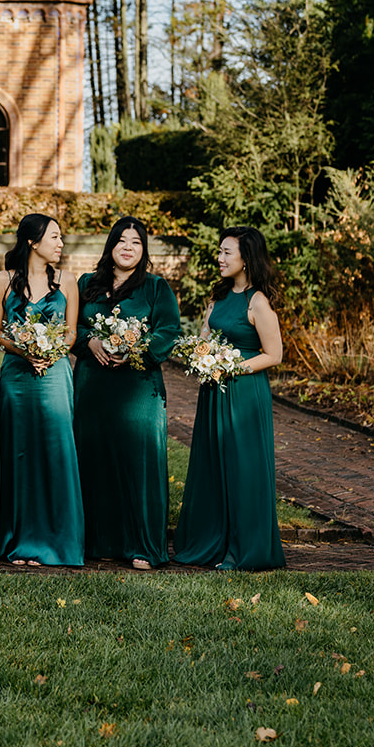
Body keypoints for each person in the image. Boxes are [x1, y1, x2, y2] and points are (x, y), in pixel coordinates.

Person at [173, 226, 286, 571]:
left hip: (245, 394)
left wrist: (231, 367)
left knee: (243, 469)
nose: (219, 258)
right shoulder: (217, 298)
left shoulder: (258, 302)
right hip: (213, 393)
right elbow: (205, 338)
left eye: (226, 252)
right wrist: (201, 355)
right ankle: (212, 544)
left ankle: (244, 550)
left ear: (246, 258)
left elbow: (274, 354)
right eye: (219, 252)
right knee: (213, 466)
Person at [73, 217, 182, 569]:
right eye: (121, 240)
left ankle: (143, 546)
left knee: (139, 463)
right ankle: (100, 541)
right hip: (93, 386)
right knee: (95, 461)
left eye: (136, 242)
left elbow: (168, 330)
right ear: (110, 245)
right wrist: (88, 340)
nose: (128, 247)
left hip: (139, 389)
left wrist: (137, 348)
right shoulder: (87, 284)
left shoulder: (155, 287)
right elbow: (69, 325)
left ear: (143, 249)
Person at [0, 213, 84, 567]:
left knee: (56, 452)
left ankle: (58, 542)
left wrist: (49, 353)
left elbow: (72, 332)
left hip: (55, 374)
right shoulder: (3, 279)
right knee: (17, 453)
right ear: (32, 241)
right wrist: (26, 350)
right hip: (17, 375)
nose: (60, 244)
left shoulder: (68, 281)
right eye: (55, 237)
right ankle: (18, 540)